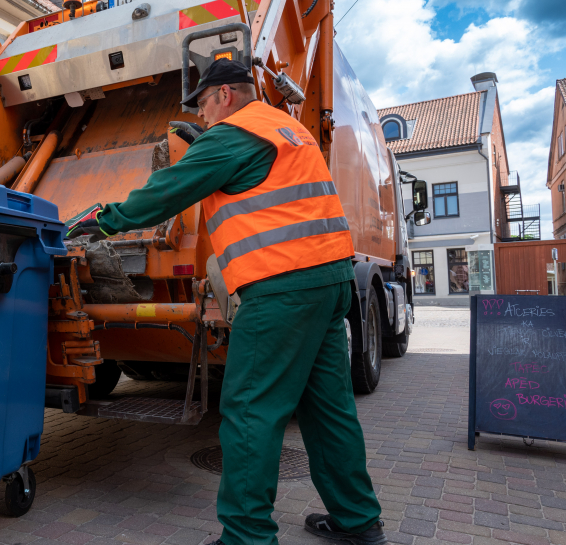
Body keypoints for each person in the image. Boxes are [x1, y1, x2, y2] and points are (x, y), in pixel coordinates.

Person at [67, 59, 387, 545]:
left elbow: (166, 194)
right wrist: (209, 148)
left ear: (224, 96)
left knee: (250, 410)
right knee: (329, 410)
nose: (204, 119)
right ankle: (358, 520)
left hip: (281, 288)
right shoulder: (287, 128)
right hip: (330, 282)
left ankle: (246, 537)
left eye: (204, 107)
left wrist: (103, 221)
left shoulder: (232, 134)